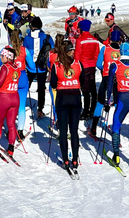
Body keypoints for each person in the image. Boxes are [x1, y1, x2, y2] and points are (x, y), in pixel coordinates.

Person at [106, 42, 129, 170]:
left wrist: (108, 100)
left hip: (123, 98)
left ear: (121, 52)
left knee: (116, 125)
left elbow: (110, 85)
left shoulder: (115, 65)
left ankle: (116, 156)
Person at [0, 31, 35, 140]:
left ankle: (8, 129)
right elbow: (32, 67)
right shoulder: (24, 50)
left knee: (8, 106)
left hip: (9, 79)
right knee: (21, 106)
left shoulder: (6, 49)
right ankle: (20, 130)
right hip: (21, 78)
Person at [50, 40, 84, 170]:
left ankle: (65, 160)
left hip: (62, 98)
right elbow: (83, 80)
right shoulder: (78, 64)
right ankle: (75, 159)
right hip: (75, 97)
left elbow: (53, 83)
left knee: (63, 131)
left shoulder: (57, 65)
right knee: (74, 130)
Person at [0, 47, 21, 156]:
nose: (1, 58)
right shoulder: (17, 67)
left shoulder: (5, 67)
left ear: (8, 57)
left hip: (4, 97)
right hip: (15, 97)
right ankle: (11, 148)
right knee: (11, 124)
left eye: (2, 56)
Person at [89, 30, 121, 137]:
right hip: (118, 80)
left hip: (106, 78)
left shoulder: (105, 48)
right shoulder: (122, 50)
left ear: (110, 39)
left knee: (100, 102)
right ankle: (115, 131)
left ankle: (93, 128)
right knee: (116, 104)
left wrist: (104, 69)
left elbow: (98, 64)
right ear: (120, 40)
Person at [24, 16, 54, 118]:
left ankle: (21, 105)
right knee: (41, 88)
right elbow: (52, 51)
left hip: (30, 67)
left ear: (32, 26)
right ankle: (40, 110)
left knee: (26, 85)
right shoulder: (47, 37)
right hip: (42, 67)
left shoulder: (27, 38)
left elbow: (25, 51)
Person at [74, 20, 100, 120]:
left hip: (83, 67)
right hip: (92, 66)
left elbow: (77, 56)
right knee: (93, 90)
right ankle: (92, 110)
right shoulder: (94, 39)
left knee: (85, 91)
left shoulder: (80, 40)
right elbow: (96, 54)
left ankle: (85, 111)